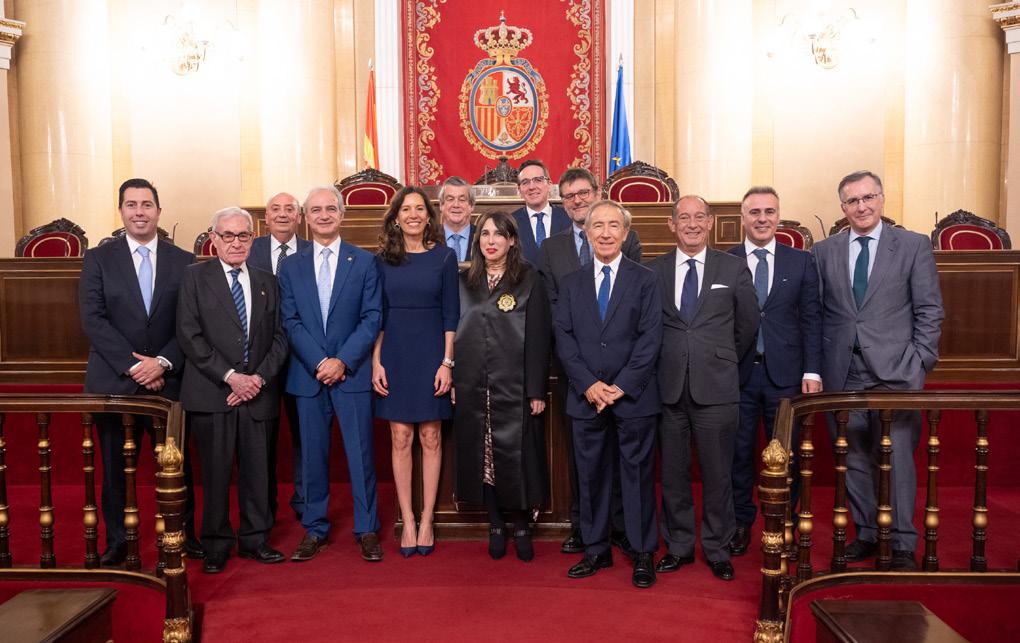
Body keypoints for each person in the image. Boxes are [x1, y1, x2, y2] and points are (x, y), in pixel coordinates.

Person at [812, 170, 944, 571]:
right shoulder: (823, 251)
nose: (862, 206)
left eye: (868, 197)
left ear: (882, 199)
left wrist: (919, 361)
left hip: (896, 373)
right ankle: (868, 532)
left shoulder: (913, 245)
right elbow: (818, 313)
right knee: (852, 457)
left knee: (898, 458)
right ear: (842, 207)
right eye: (853, 201)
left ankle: (902, 542)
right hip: (843, 372)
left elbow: (930, 310)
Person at [78, 177, 201, 566]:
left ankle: (185, 534)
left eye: (146, 205)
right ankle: (117, 541)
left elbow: (190, 321)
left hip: (169, 380)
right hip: (114, 380)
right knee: (115, 468)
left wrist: (161, 362)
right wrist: (135, 366)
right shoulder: (99, 259)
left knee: (176, 466)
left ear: (158, 211)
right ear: (121, 211)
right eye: (131, 205)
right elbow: (93, 319)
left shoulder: (184, 260)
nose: (139, 212)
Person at [649, 195, 758, 581]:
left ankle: (717, 546)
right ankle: (678, 545)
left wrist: (721, 360)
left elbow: (747, 326)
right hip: (668, 389)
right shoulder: (654, 270)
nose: (692, 224)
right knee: (673, 474)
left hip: (718, 388)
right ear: (672, 224)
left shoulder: (733, 267)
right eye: (684, 218)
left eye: (699, 217)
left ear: (710, 223)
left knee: (718, 474)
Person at [554, 199, 661, 589]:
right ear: (586, 233)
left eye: (613, 225)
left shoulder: (646, 280)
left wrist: (622, 385)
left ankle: (642, 551)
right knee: (591, 476)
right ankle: (596, 548)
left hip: (633, 397)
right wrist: (588, 384)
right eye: (597, 226)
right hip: (587, 397)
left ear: (626, 233)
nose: (605, 233)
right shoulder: (571, 283)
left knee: (637, 476)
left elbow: (650, 339)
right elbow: (564, 338)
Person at [176, 207, 290, 573]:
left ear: (252, 239)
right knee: (216, 474)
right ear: (214, 239)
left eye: (243, 235)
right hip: (213, 393)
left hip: (258, 393)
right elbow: (189, 335)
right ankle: (216, 545)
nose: (236, 242)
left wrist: (257, 379)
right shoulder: (194, 277)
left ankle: (256, 540)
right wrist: (230, 377)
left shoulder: (267, 280)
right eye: (228, 235)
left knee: (258, 472)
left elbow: (280, 336)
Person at [537, 167, 641, 556]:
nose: (577, 200)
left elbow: (632, 301)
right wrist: (584, 374)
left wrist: (617, 378)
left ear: (597, 193)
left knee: (621, 456)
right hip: (575, 371)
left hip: (622, 374)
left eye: (583, 193)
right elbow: (553, 311)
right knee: (583, 456)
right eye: (569, 196)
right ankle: (583, 528)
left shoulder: (628, 239)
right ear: (562, 203)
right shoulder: (551, 248)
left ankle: (621, 527)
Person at [277, 185, 384, 563]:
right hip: (308, 375)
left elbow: (372, 318)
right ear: (305, 217)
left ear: (342, 214)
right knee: (312, 456)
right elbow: (289, 320)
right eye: (316, 210)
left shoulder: (364, 262)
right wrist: (319, 361)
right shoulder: (291, 266)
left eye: (330, 209)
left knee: (360, 454)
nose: (323, 215)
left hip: (351, 374)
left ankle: (367, 528)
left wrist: (342, 361)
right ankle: (315, 527)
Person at [727, 186, 822, 556]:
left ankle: (785, 523)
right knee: (738, 454)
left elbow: (812, 319)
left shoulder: (801, 262)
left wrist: (812, 371)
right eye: (754, 212)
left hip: (786, 376)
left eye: (769, 211)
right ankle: (740, 523)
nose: (762, 218)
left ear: (778, 216)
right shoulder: (727, 261)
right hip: (739, 375)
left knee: (787, 454)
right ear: (743, 218)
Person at [453, 211, 551, 561]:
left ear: (511, 240)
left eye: (498, 234)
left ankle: (521, 524)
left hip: (516, 386)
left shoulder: (529, 279)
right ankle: (496, 523)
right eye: (484, 234)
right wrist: (453, 377)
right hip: (474, 385)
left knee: (518, 455)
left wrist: (536, 389)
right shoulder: (464, 282)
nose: (491, 241)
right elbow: (453, 331)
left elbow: (539, 337)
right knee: (485, 457)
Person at [372, 186, 459, 557]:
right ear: (395, 217)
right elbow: (377, 315)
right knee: (401, 437)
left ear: (428, 215)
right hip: (394, 352)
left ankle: (427, 520)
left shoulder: (444, 257)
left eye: (419, 208)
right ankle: (407, 519)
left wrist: (447, 362)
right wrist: (376, 361)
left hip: (432, 353)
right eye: (405, 209)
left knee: (432, 436)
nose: (412, 215)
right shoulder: (381, 261)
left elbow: (451, 315)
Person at [249, 192, 312, 522]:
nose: (283, 214)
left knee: (304, 436)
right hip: (261, 359)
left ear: (299, 217)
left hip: (302, 358)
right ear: (267, 217)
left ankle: (305, 501)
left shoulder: (313, 251)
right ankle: (265, 507)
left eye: (290, 209)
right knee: (263, 439)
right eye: (276, 209)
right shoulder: (250, 249)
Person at [510, 160, 570, 264]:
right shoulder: (510, 222)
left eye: (538, 180)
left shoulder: (568, 217)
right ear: (519, 190)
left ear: (549, 184)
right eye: (525, 182)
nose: (532, 187)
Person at [439, 176, 476, 262]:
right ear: (441, 205)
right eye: (450, 199)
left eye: (462, 200)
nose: (456, 205)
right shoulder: (429, 237)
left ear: (471, 206)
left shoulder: (482, 236)